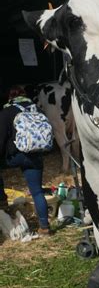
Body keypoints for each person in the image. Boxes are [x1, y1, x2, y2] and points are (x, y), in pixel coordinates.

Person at [0, 86, 52, 236]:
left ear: (10, 98)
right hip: (35, 156)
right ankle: (44, 227)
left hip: (15, 157)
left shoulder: (7, 112)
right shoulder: (37, 109)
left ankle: (2, 201)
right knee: (37, 192)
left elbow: (1, 140)